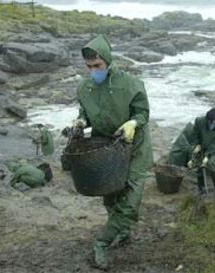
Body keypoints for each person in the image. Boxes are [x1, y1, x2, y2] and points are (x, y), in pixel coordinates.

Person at [72, 35, 153, 269]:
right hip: (106, 149)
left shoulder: (131, 84)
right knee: (111, 196)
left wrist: (133, 123)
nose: (93, 71)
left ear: (108, 60)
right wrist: (80, 120)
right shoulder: (85, 87)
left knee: (130, 202)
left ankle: (101, 243)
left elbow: (143, 114)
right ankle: (122, 230)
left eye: (97, 66)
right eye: (89, 67)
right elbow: (86, 112)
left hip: (134, 147)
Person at [187, 108, 215, 201]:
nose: (212, 124)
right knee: (199, 166)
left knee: (212, 165)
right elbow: (194, 135)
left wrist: (208, 155)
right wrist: (197, 145)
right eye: (211, 121)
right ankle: (201, 188)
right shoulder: (200, 121)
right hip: (202, 146)